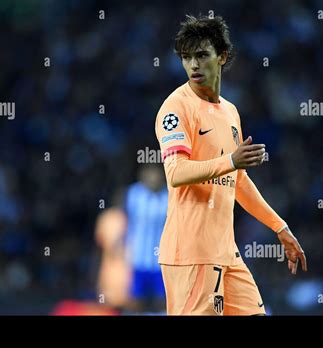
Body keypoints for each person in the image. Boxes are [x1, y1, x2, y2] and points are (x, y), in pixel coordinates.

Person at [154, 15, 307, 315]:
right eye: (187, 58)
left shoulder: (230, 112)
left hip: (226, 253)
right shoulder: (176, 108)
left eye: (201, 55)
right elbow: (176, 173)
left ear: (222, 56)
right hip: (192, 253)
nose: (194, 65)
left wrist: (280, 226)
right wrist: (230, 160)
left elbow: (238, 181)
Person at [124, 164, 168, 313]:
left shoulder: (168, 196)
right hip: (138, 258)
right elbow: (125, 220)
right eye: (149, 176)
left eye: (156, 176)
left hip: (161, 261)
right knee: (135, 301)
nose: (153, 179)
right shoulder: (134, 194)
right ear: (143, 177)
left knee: (162, 300)